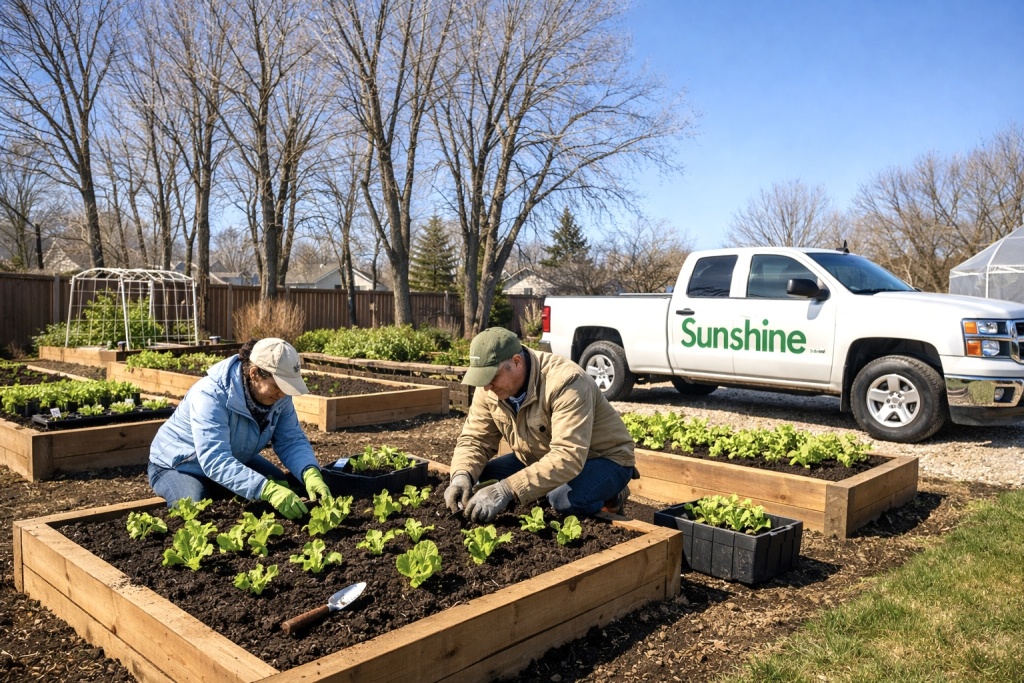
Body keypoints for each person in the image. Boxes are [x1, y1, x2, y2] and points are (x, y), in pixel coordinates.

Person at [444, 327, 637, 524]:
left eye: (491, 377)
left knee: (562, 500)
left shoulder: (566, 382)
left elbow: (568, 456)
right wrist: (461, 475)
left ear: (516, 362)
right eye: (482, 379)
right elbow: (475, 439)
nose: (486, 387)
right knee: (482, 478)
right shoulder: (489, 389)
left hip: (603, 458)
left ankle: (613, 496)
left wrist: (507, 489)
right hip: (541, 454)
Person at [148, 337, 331, 519]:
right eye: (277, 386)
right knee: (194, 510)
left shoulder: (280, 397)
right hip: (179, 465)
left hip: (235, 457)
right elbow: (215, 459)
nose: (282, 393)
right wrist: (264, 489)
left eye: (286, 387)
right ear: (254, 374)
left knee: (282, 484)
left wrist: (310, 471)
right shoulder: (210, 395)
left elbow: (290, 440)